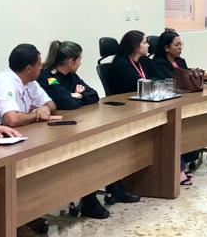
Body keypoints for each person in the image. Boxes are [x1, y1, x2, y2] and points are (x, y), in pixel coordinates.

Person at [38, 40, 136, 217]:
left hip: (74, 124)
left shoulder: (71, 75)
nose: (80, 63)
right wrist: (74, 96)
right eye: (79, 59)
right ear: (71, 61)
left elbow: (93, 95)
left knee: (107, 145)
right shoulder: (48, 76)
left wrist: (77, 95)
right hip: (52, 131)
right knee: (87, 154)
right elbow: (67, 103)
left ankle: (114, 187)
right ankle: (89, 201)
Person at [153, 30, 207, 167]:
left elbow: (188, 78)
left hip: (187, 99)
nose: (180, 47)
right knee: (201, 120)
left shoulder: (180, 61)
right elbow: (173, 82)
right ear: (166, 47)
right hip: (173, 103)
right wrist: (200, 76)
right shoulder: (158, 63)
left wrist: (204, 77)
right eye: (177, 45)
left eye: (181, 44)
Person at [0, 44, 60, 128]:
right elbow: (12, 120)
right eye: (39, 64)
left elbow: (51, 105)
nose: (41, 68)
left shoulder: (31, 82)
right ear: (29, 69)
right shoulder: (3, 83)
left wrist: (45, 108)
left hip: (16, 132)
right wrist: (36, 114)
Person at [111, 30, 159, 95]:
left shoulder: (144, 60)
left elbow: (160, 77)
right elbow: (135, 85)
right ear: (135, 46)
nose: (148, 45)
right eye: (144, 43)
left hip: (144, 97)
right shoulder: (121, 64)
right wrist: (152, 81)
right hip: (127, 100)